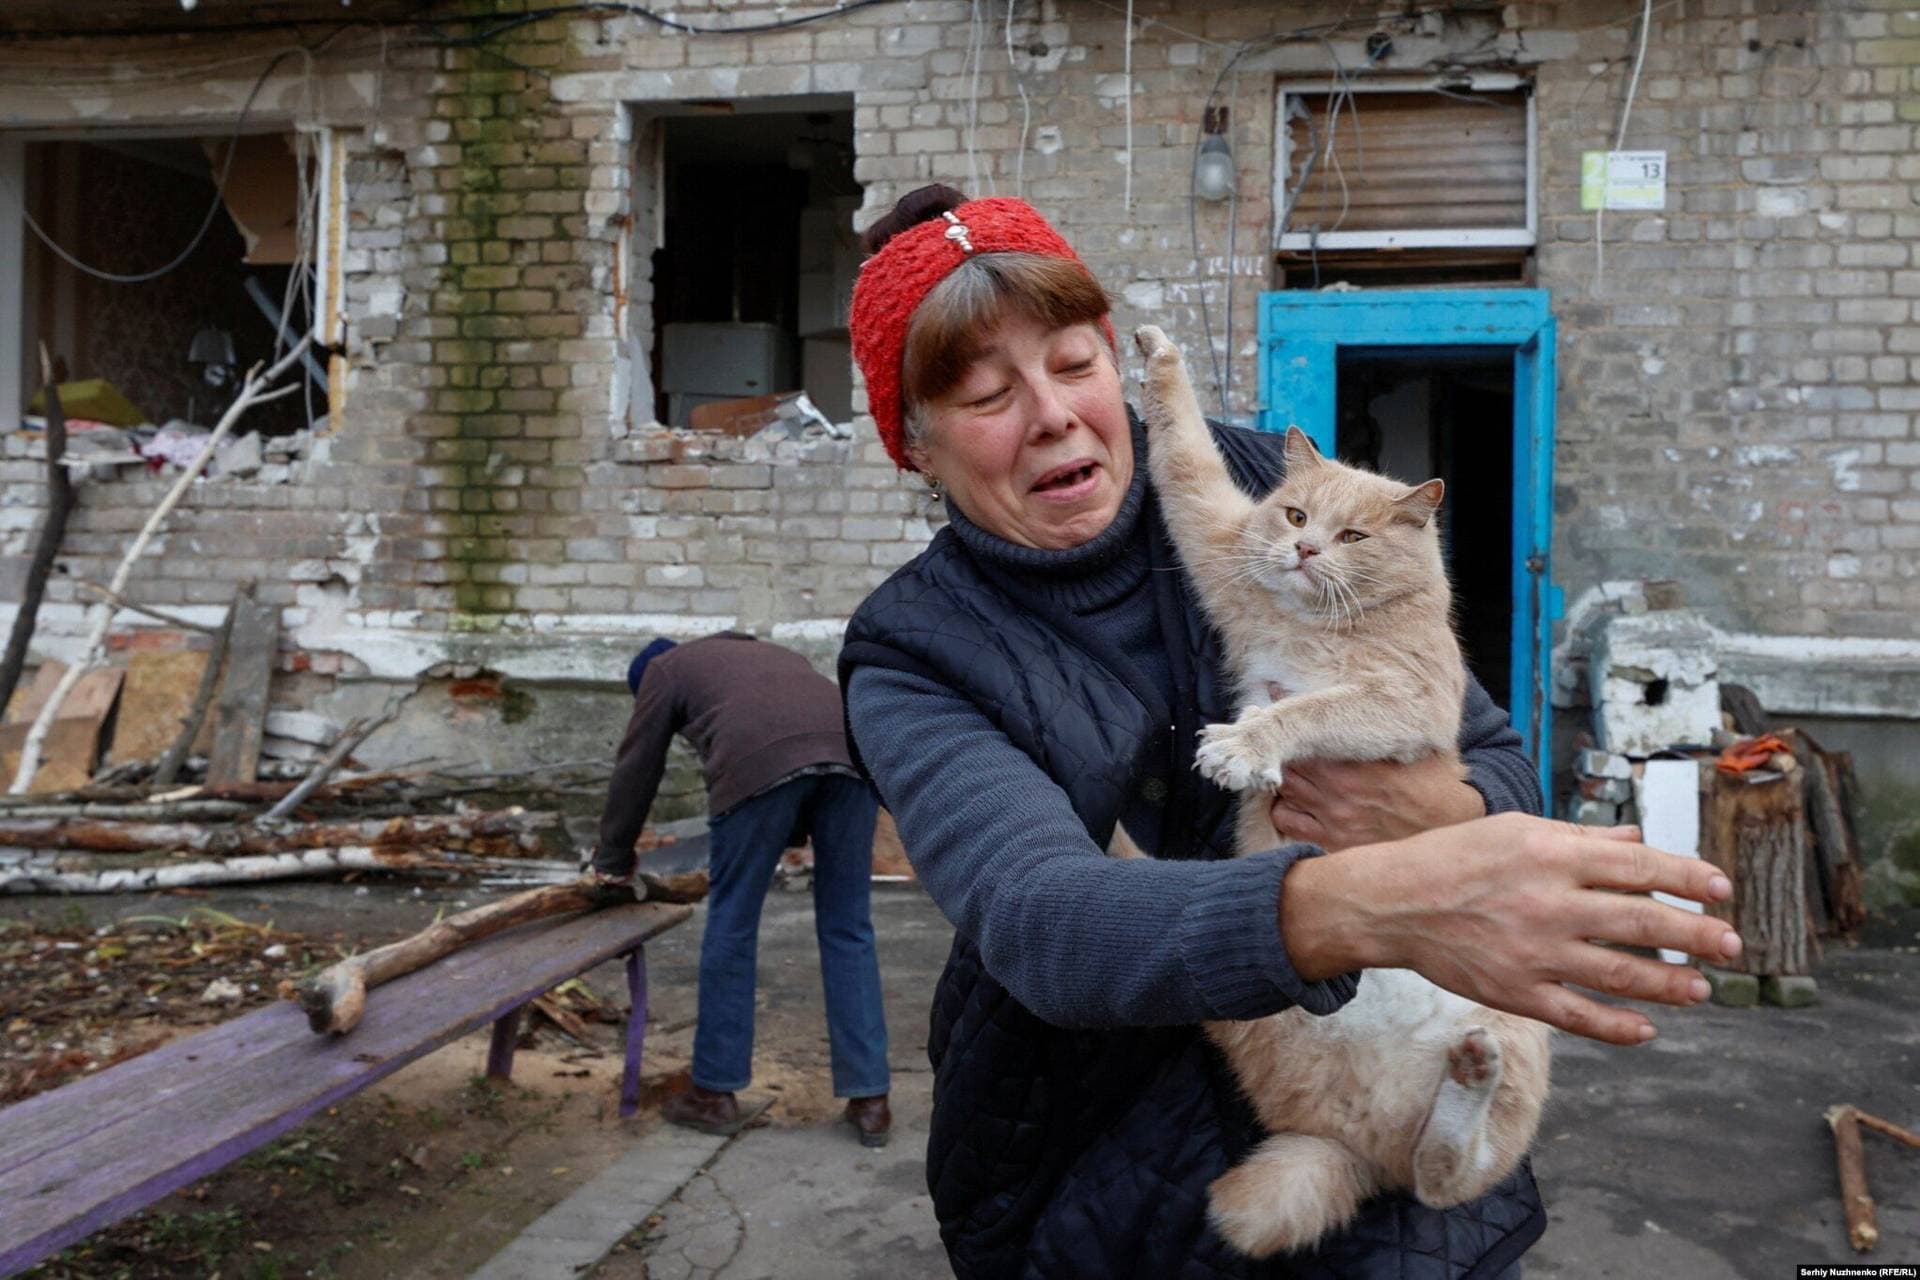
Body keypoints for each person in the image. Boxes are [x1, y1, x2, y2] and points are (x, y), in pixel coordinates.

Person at [837, 185, 1742, 1278]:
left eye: (1075, 364)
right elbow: (1039, 918)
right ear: (915, 449)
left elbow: (1495, 757)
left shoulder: (1289, 491)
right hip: (1094, 1168)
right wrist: (1385, 903)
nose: (1053, 414)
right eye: (986, 393)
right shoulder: (912, 648)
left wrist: (1444, 811)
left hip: (1399, 1146)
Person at [590, 632, 892, 1147]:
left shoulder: (661, 673)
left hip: (757, 762)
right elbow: (803, 737)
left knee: (732, 923)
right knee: (849, 926)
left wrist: (612, 861)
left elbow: (637, 769)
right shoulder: (758, 651)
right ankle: (871, 1100)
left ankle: (713, 1093)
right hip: (854, 756)